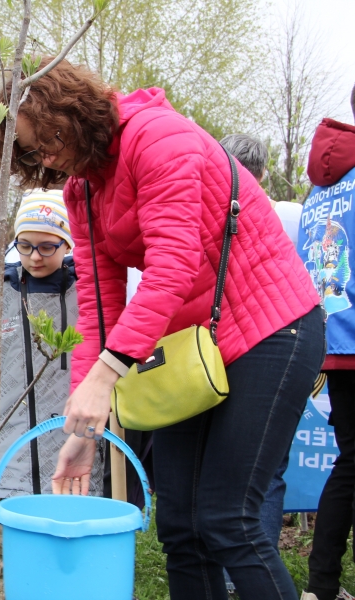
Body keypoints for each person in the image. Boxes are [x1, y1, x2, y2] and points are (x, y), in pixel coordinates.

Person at [0, 58, 322, 599]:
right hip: (200, 349)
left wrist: (107, 377)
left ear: (67, 112)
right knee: (182, 528)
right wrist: (82, 430)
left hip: (271, 331)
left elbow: (173, 266)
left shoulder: (158, 137)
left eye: (44, 140)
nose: (44, 157)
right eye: (32, 151)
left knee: (228, 519)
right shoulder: (83, 190)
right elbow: (98, 305)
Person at [0, 189, 103, 592]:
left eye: (47, 246)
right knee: (10, 563)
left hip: (70, 452)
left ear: (67, 244)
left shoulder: (87, 295)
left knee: (67, 557)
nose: (35, 256)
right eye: (25, 245)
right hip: (9, 454)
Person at [220, 132, 303, 598]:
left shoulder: (209, 206)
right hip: (281, 344)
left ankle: (219, 567)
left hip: (213, 355)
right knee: (267, 471)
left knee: (217, 473)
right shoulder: (290, 214)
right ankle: (244, 574)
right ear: (265, 173)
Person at [301, 85, 355, 600]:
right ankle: (322, 583)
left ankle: (321, 584)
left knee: (350, 462)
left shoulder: (323, 187)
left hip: (330, 334)